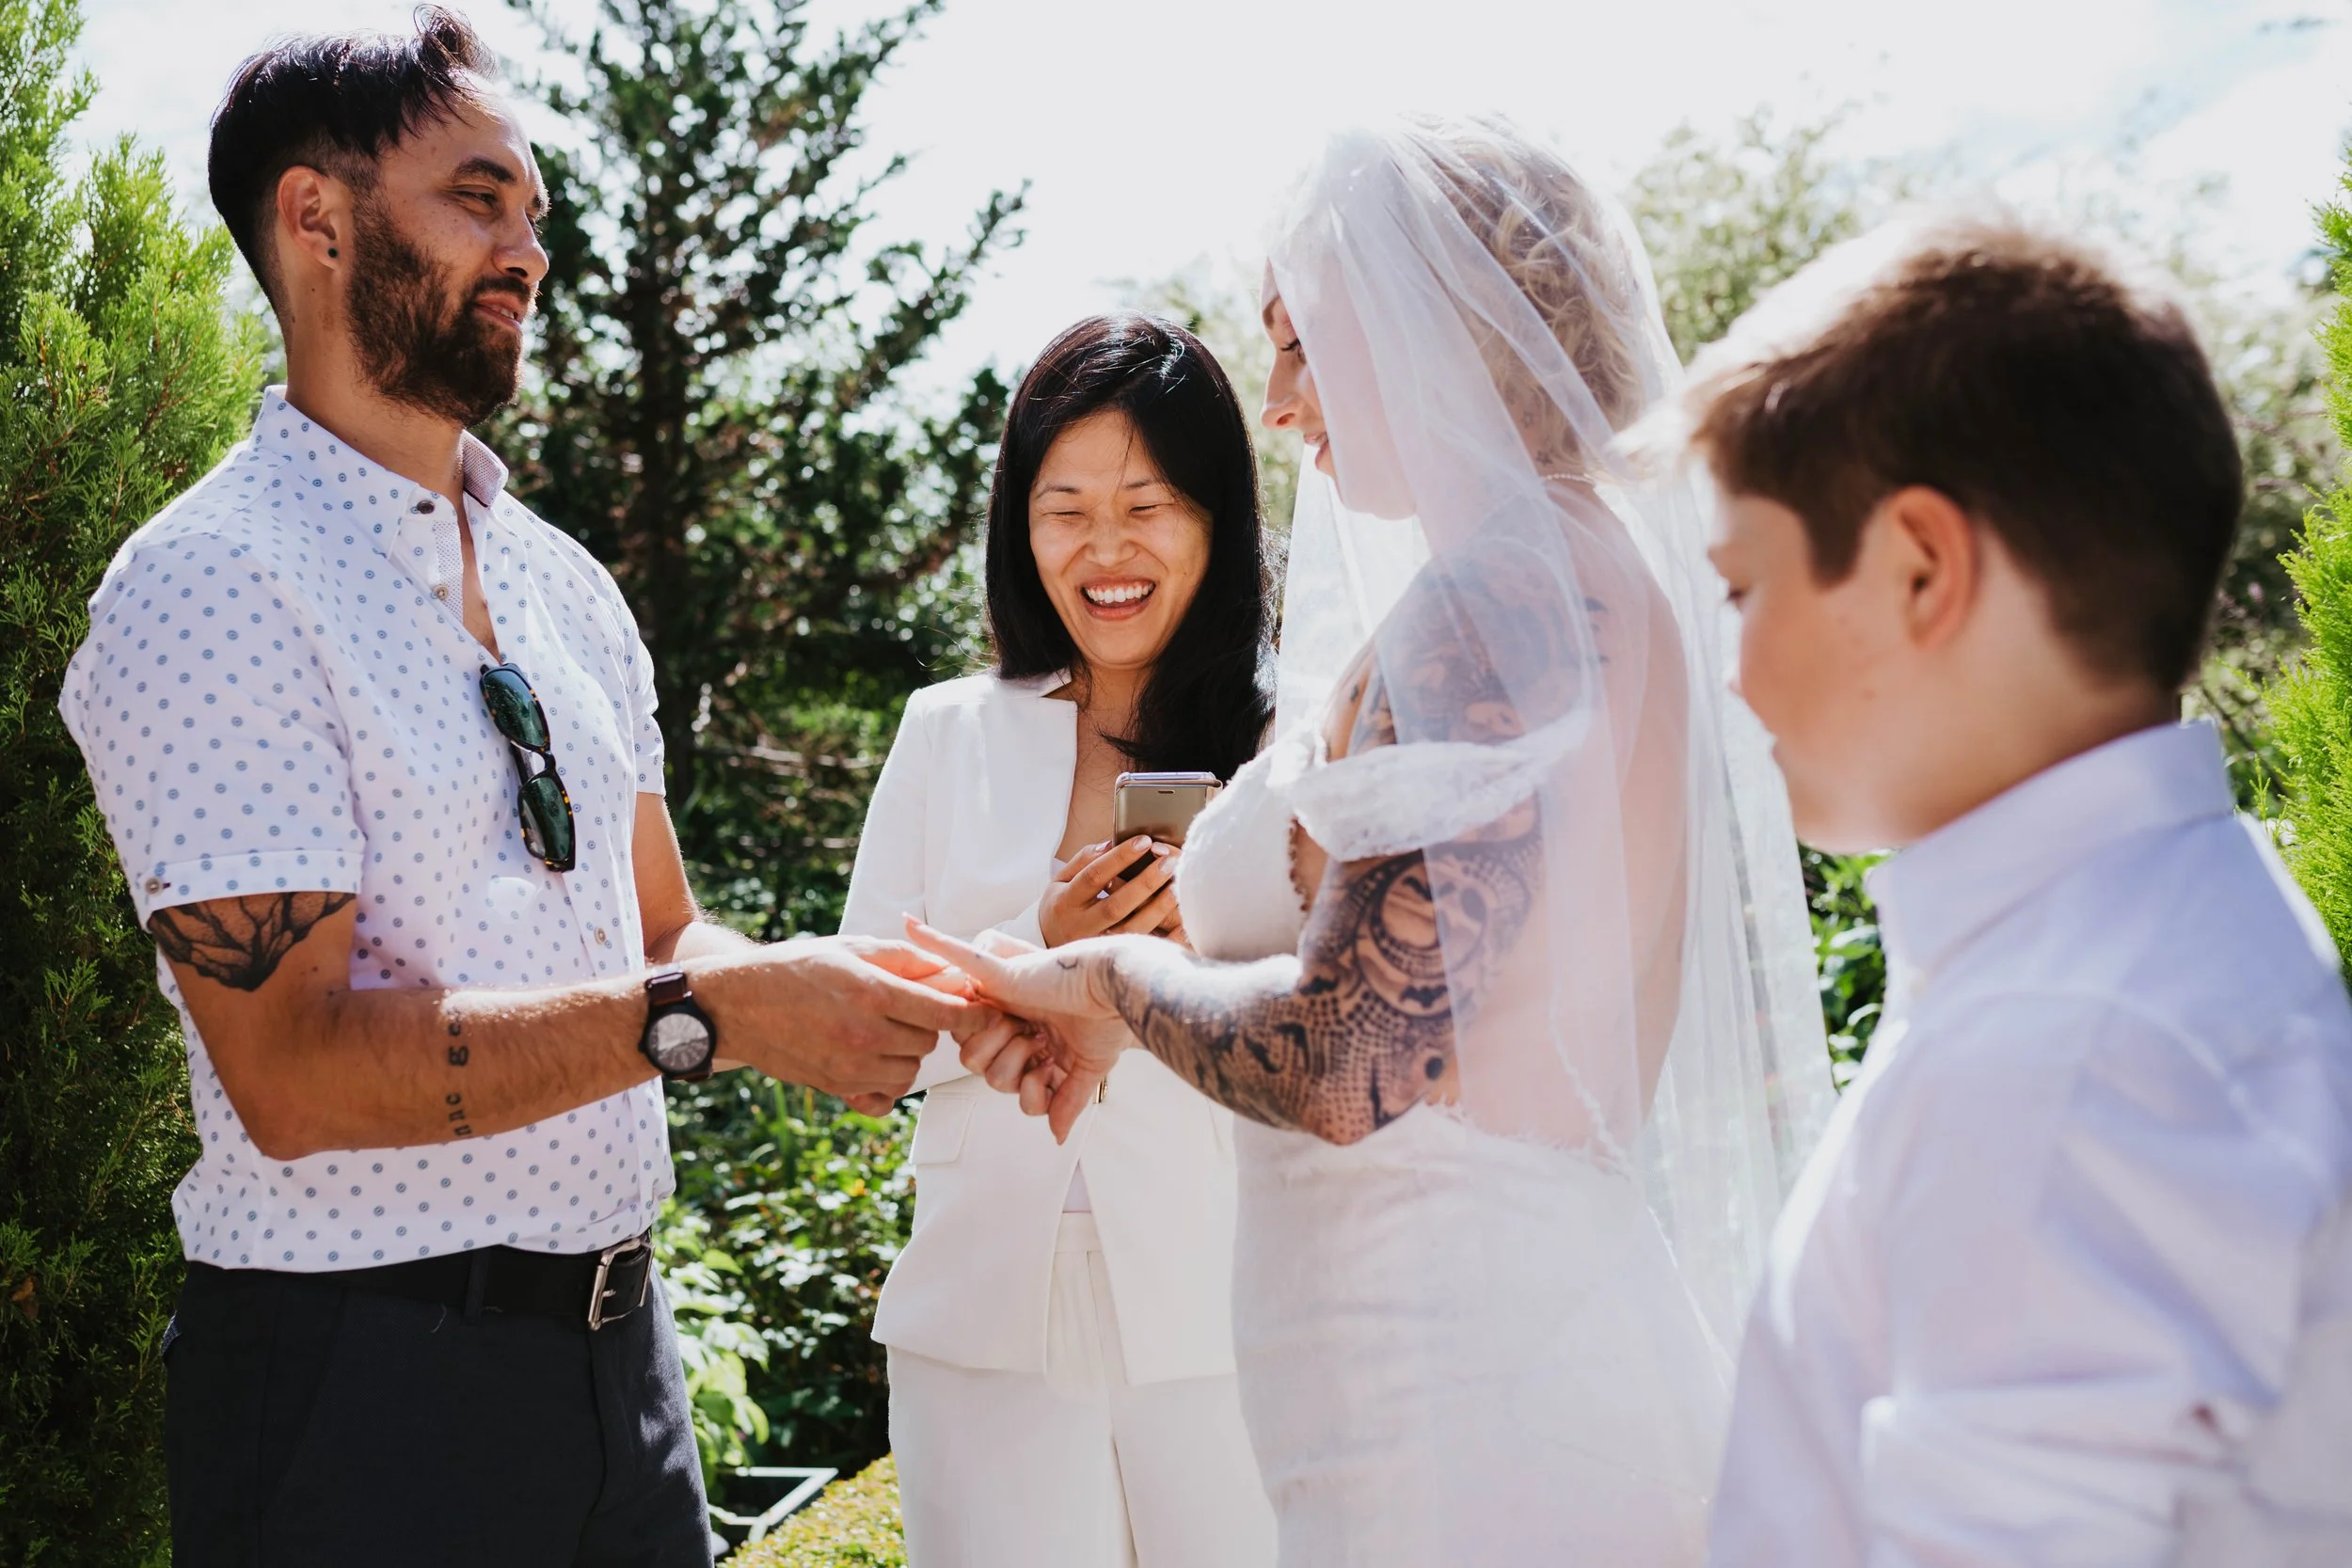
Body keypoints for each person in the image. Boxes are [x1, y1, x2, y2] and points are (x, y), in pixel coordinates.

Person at [57, 13, 981, 1564]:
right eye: (478, 198)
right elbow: (291, 1074)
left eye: (533, 213)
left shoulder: (566, 586)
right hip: (359, 1404)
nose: (528, 250)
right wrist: (711, 1018)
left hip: (627, 1377)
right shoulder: (212, 586)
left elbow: (672, 924)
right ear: (317, 219)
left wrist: (915, 998)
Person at [913, 119, 1835, 1565]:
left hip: (1465, 1402)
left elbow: (1353, 1061)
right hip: (1473, 1359)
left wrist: (1098, 984)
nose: (1279, 403)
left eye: (1303, 344)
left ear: (1432, 327)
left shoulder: (1500, 609)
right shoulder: (1548, 581)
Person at [1672, 218, 2352, 1565]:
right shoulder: (2152, 948)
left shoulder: (2066, 1051)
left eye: (1742, 587)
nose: (1734, 674)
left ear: (1921, 568)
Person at [839, 313, 1279, 1568]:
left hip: (1230, 1314)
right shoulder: (947, 732)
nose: (1105, 550)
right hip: (980, 1322)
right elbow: (864, 1028)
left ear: (1215, 517)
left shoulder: (1288, 738)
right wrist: (1037, 944)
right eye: (1064, 507)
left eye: (1146, 505)